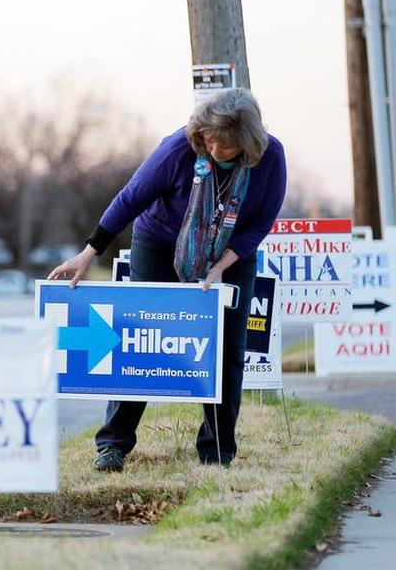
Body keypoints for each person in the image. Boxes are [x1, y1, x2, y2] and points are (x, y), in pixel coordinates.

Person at [47, 88, 286, 471]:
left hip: (231, 253)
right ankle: (113, 444)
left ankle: (217, 450)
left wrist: (221, 265)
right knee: (142, 340)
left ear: (247, 141)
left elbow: (260, 222)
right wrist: (89, 252)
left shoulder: (270, 157)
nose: (213, 149)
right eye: (208, 139)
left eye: (225, 144)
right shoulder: (179, 149)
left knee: (226, 348)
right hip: (160, 242)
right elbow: (130, 199)